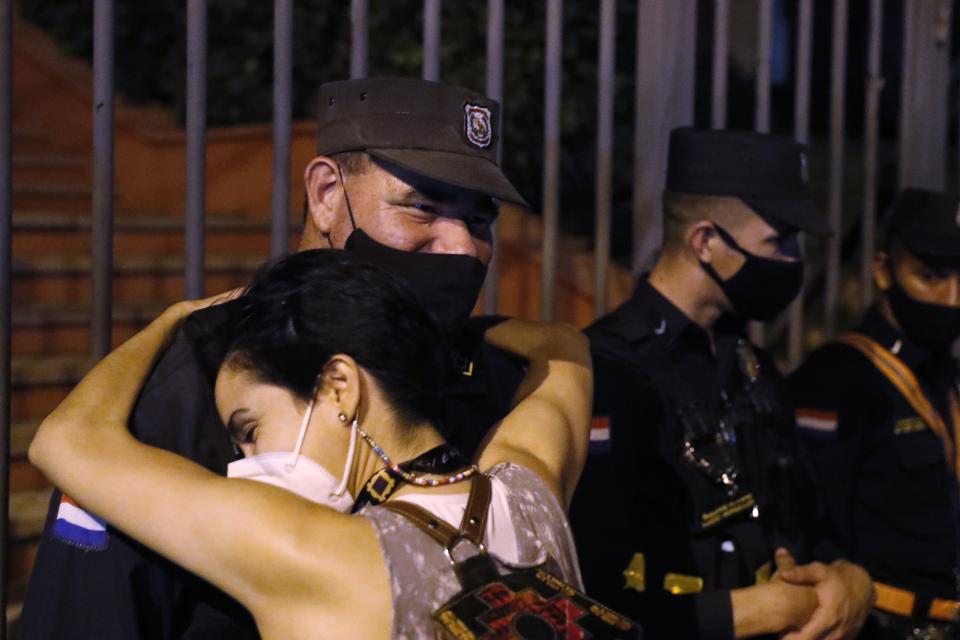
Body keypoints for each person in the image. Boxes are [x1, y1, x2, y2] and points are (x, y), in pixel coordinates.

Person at [19, 78, 528, 639]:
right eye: (423, 207)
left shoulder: (481, 371)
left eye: (480, 221)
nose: (462, 247)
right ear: (326, 194)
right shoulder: (194, 378)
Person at [27, 249, 593, 640]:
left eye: (250, 430)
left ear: (338, 387)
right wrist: (421, 331)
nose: (246, 464)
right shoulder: (530, 488)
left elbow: (66, 439)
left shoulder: (314, 553)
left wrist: (171, 320)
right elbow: (560, 347)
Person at [569, 128, 875, 639]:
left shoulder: (750, 363)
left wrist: (850, 580)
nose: (795, 260)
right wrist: (750, 612)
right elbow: (588, 590)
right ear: (705, 242)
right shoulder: (606, 373)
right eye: (780, 242)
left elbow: (808, 517)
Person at [788, 188, 960, 640]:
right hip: (878, 626)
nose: (951, 297)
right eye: (931, 276)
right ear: (884, 270)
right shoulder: (838, 379)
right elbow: (815, 528)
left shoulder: (947, 376)